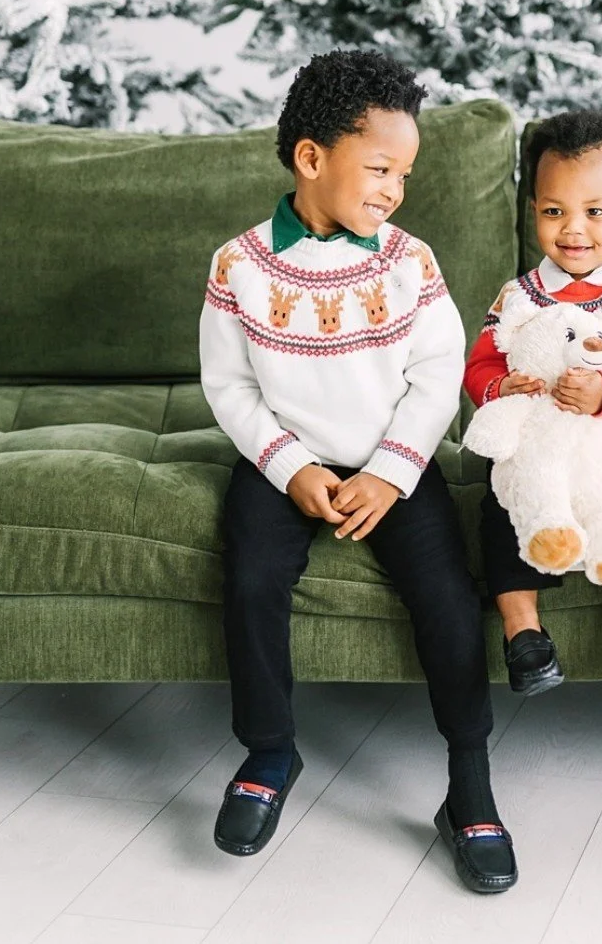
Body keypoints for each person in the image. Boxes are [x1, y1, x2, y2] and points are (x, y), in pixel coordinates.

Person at [199, 48, 517, 894]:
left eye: (403, 176)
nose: (392, 191)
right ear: (312, 158)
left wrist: (390, 472)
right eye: (380, 168)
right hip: (284, 462)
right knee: (254, 578)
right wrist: (290, 465)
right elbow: (227, 386)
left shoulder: (408, 263)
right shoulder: (238, 267)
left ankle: (470, 783)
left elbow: (438, 373)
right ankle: (270, 751)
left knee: (450, 597)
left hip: (391, 464)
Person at [465, 110, 602, 701]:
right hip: (537, 441)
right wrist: (499, 388)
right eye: (554, 211)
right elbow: (483, 363)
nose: (574, 230)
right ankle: (523, 629)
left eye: (595, 212)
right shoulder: (519, 297)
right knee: (501, 502)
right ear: (533, 211)